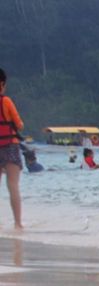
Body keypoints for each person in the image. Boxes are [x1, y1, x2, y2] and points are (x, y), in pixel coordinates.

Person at [0, 68, 24, 229]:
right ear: (2, 84)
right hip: (10, 145)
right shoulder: (6, 101)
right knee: (13, 185)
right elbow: (19, 125)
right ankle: (17, 224)